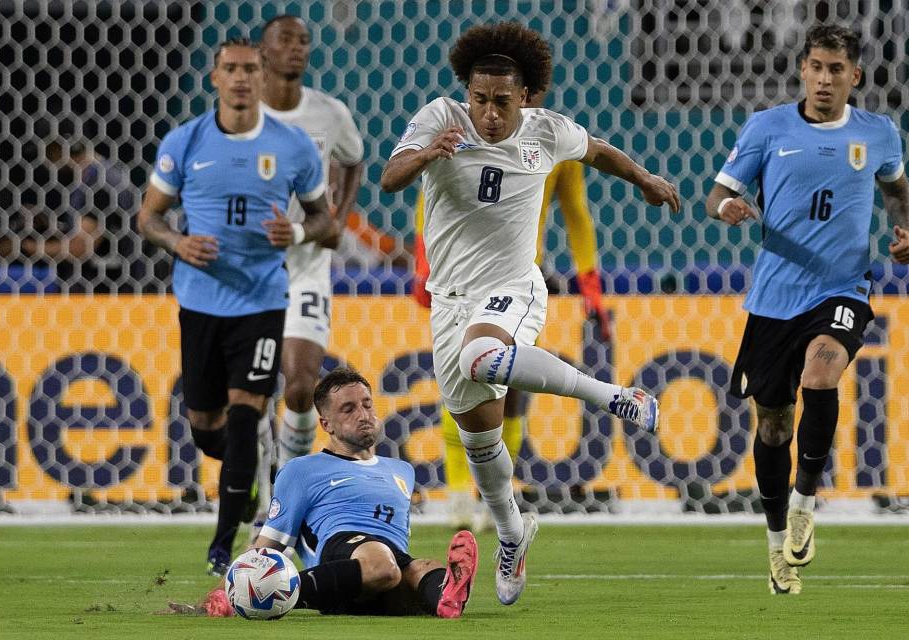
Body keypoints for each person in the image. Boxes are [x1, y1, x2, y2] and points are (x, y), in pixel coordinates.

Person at [380, 22, 680, 605]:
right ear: (467, 92)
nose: (488, 113)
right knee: (480, 436)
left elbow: (598, 152)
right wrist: (425, 154)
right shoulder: (439, 118)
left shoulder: (548, 133)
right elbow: (389, 179)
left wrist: (644, 179)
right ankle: (515, 532)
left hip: (514, 285)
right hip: (451, 298)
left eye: (502, 101)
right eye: (480, 99)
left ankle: (611, 396)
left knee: (482, 356)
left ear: (528, 97)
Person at [705, 24, 909, 595]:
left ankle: (804, 501)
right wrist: (728, 209)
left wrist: (907, 229)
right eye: (816, 67)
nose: (825, 79)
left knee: (823, 371)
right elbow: (717, 193)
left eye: (836, 70)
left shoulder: (879, 134)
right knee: (772, 426)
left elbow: (898, 194)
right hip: (774, 298)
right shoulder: (768, 128)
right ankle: (776, 543)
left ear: (855, 76)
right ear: (802, 69)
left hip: (841, 286)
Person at [136, 38, 338, 576]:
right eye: (231, 69)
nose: (242, 78)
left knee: (248, 413)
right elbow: (148, 218)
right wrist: (178, 243)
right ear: (215, 77)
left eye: (251, 68)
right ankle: (245, 477)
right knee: (206, 425)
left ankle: (224, 545)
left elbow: (327, 222)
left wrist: (295, 229)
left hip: (263, 299)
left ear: (263, 74)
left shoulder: (293, 145)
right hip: (201, 301)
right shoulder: (185, 141)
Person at [412, 87, 612, 531]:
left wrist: (590, 286)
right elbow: (428, 197)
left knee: (509, 382)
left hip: (517, 277)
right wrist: (422, 263)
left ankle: (493, 497)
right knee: (460, 377)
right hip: (458, 274)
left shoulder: (552, 139)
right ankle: (459, 492)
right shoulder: (462, 131)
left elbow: (576, 213)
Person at [168, 368, 479, 619]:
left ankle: (446, 598)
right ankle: (275, 592)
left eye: (367, 404)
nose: (363, 414)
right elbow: (267, 545)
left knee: (424, 570)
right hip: (341, 553)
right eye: (348, 408)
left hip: (387, 571)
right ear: (326, 423)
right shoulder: (303, 470)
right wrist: (221, 594)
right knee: (382, 563)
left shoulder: (401, 471)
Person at [257, 15, 365, 468]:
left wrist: (336, 217)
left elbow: (354, 159)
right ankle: (257, 477)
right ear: (263, 52)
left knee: (300, 385)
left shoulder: (329, 112)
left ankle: (288, 485)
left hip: (306, 263)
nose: (297, 48)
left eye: (303, 40)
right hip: (252, 266)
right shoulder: (241, 117)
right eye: (285, 39)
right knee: (253, 388)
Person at [0, 123, 143, 294]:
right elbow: (100, 233)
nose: (45, 160)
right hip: (101, 293)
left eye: (48, 152)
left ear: (64, 147)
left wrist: (24, 247)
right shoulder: (92, 177)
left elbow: (80, 248)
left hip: (105, 298)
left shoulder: (100, 183)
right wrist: (52, 226)